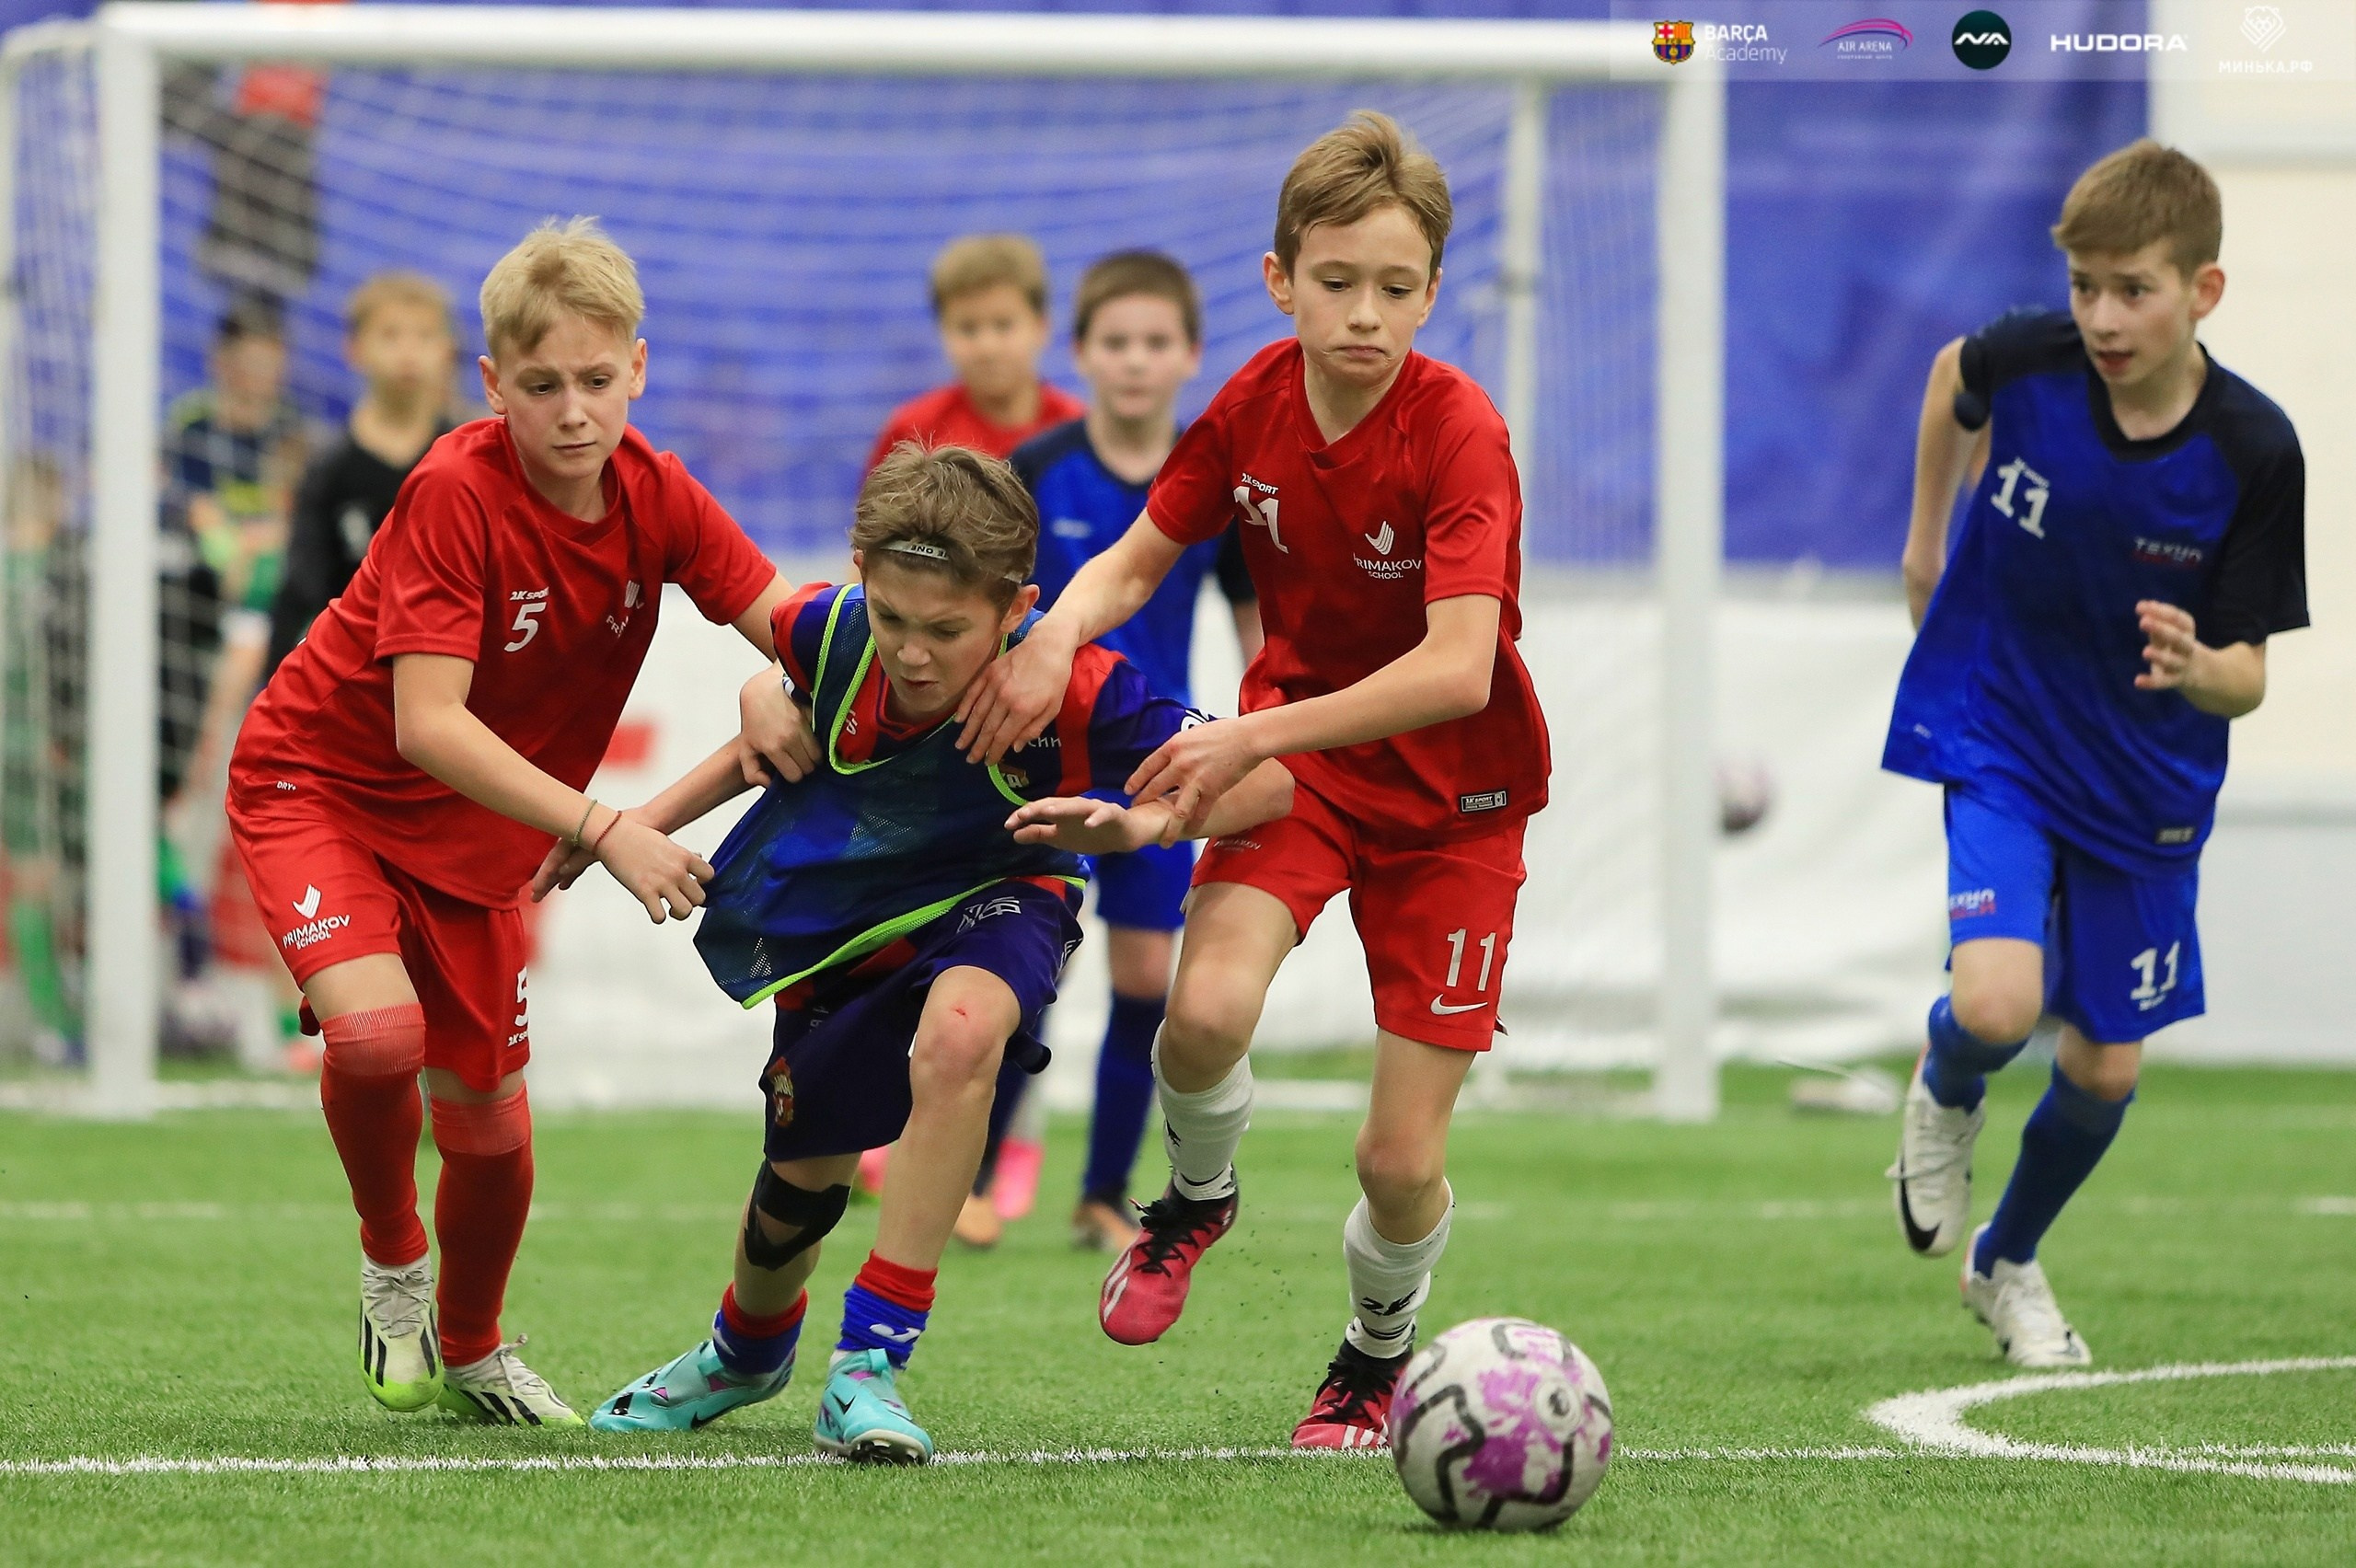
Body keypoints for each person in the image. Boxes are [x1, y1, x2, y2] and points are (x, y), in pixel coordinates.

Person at [954, 111, 1552, 1450]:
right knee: (1199, 1010)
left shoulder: (1462, 433)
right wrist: (1050, 639)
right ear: (1280, 279)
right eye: (1336, 282)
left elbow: (1461, 670)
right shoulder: (1251, 406)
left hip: (1458, 799)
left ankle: (1373, 1356)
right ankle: (1192, 1201)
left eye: (1397, 289)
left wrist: (1251, 738)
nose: (1365, 314)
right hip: (1304, 771)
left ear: (1433, 294)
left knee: (1398, 1163)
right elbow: (1136, 555)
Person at [577, 443, 1293, 1462]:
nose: (912, 654)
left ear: (1016, 610)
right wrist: (631, 823)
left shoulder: (1078, 689)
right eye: (893, 620)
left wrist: (1133, 826)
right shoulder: (827, 634)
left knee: (964, 1038)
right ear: (859, 578)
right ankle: (745, 1352)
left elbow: (1265, 787)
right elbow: (767, 738)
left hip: (1001, 896)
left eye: (946, 631)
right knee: (798, 1188)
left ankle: (870, 1361)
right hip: (846, 923)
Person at [225, 218, 795, 1425]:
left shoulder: (661, 494)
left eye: (598, 380)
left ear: (639, 366)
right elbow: (427, 723)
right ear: (492, 385)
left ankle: (475, 1346)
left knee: (487, 1126)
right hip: (319, 784)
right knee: (378, 1041)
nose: (575, 411)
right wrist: (605, 825)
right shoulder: (452, 489)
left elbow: (787, 616)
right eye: (542, 386)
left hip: (476, 834)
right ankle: (394, 1265)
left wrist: (792, 669)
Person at [1883, 141, 2306, 1367]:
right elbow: (1949, 380)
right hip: (2003, 723)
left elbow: (2251, 677)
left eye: (2134, 290)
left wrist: (2198, 667)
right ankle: (1947, 1081)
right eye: (2085, 289)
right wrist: (1925, 543)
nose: (2103, 318)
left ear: (2203, 292)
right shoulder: (2032, 357)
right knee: (1998, 1002)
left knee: (2106, 1068)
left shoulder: (2254, 454)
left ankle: (2004, 1262)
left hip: (2147, 780)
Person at [971, 249, 1261, 1255]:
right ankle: (972, 1182)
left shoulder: (1216, 483)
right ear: (1081, 354)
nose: (1135, 362)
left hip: (1157, 761)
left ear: (1188, 355)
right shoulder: (1039, 471)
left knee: (1146, 984)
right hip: (1035, 756)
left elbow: (1258, 631)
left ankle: (1101, 1196)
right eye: (1115, 343)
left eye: (1155, 343)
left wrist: (1258, 735)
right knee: (1012, 968)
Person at [265, 271, 463, 677]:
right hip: (352, 670)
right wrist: (273, 679)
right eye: (390, 335)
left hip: (452, 666)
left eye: (425, 337)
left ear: (447, 350)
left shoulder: (467, 459)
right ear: (354, 349)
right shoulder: (328, 468)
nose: (409, 352)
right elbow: (302, 584)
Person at [865, 234, 1084, 470]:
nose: (986, 347)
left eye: (1004, 325)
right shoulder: (912, 433)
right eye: (968, 329)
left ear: (1041, 327)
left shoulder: (1078, 432)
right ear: (942, 331)